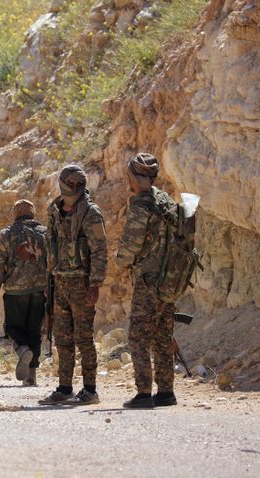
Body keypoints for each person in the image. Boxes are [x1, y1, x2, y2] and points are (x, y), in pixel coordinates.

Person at [39, 165, 107, 405]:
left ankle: (90, 389)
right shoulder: (54, 210)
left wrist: (95, 284)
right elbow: (50, 246)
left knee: (84, 338)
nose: (75, 188)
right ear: (62, 183)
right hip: (60, 281)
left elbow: (100, 251)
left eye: (80, 184)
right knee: (63, 338)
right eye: (71, 183)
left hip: (81, 282)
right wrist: (49, 280)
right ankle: (64, 387)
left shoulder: (91, 213)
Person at [115, 153, 179, 409]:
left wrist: (121, 261)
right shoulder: (166, 200)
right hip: (171, 277)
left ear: (132, 176)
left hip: (149, 279)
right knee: (163, 335)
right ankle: (165, 392)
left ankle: (143, 393)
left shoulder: (141, 204)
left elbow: (130, 246)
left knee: (139, 335)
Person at [0, 200, 47, 386]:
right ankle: (30, 378)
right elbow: (53, 260)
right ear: (33, 213)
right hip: (39, 290)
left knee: (13, 328)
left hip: (14, 291)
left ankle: (22, 350)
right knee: (35, 331)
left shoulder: (6, 234)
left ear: (15, 214)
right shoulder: (45, 234)